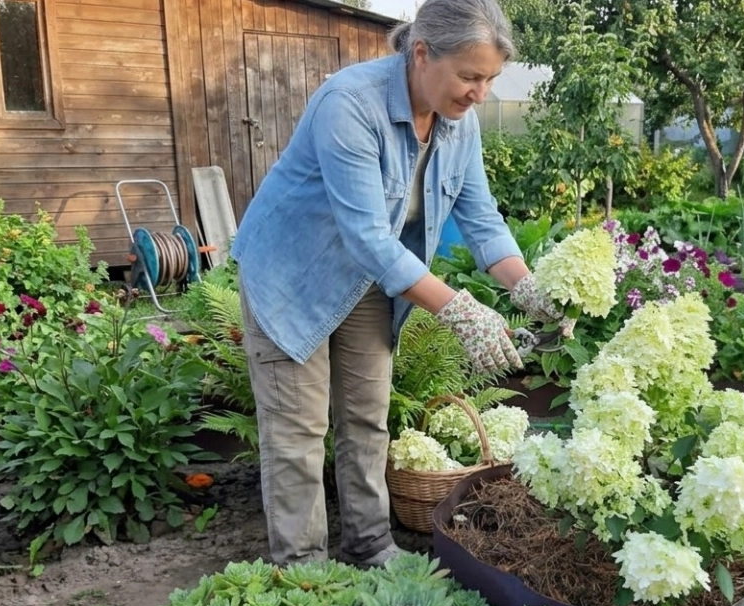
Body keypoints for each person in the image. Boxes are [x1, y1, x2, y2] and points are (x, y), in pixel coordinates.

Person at [229, 0, 565, 569]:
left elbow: (481, 219)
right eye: (469, 76)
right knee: (298, 433)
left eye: (489, 80)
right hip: (292, 277)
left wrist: (531, 290)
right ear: (421, 54)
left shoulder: (460, 124)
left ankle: (370, 546)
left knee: (366, 418)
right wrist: (460, 310)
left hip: (370, 281)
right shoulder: (349, 104)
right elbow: (368, 237)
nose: (479, 93)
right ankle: (303, 572)